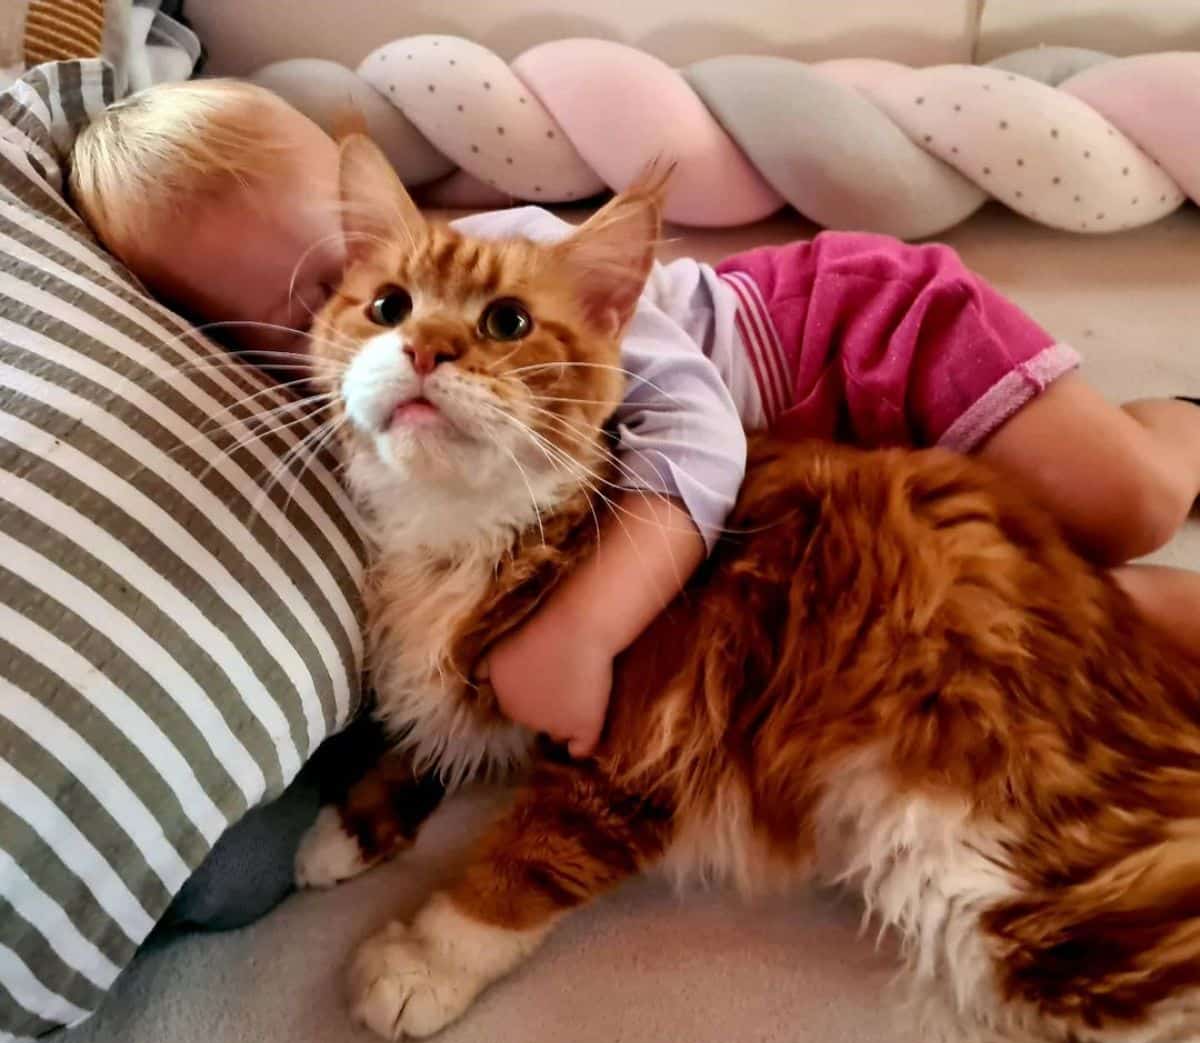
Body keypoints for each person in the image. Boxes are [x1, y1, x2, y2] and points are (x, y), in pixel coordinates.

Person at [71, 79, 1200, 765]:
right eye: (294, 307)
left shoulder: (521, 258)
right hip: (827, 482)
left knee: (1121, 507)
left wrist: (585, 634)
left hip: (854, 338)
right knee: (1034, 610)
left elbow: (697, 436)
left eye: (347, 260)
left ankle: (1174, 428)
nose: (364, 320)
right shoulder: (338, 383)